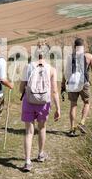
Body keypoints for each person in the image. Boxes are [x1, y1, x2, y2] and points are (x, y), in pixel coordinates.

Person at [19, 43, 61, 172]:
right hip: (44, 102)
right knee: (42, 128)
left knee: (29, 132)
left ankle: (27, 162)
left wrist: (24, 92)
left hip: (29, 101)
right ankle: (41, 154)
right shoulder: (52, 69)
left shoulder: (28, 67)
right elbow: (54, 91)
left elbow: (21, 88)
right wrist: (58, 108)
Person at [62, 38, 92, 137]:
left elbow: (66, 73)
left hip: (72, 83)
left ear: (74, 46)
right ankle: (82, 123)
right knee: (87, 102)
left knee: (73, 105)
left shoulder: (70, 57)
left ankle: (72, 129)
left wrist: (63, 85)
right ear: (83, 46)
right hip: (84, 82)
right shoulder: (88, 56)